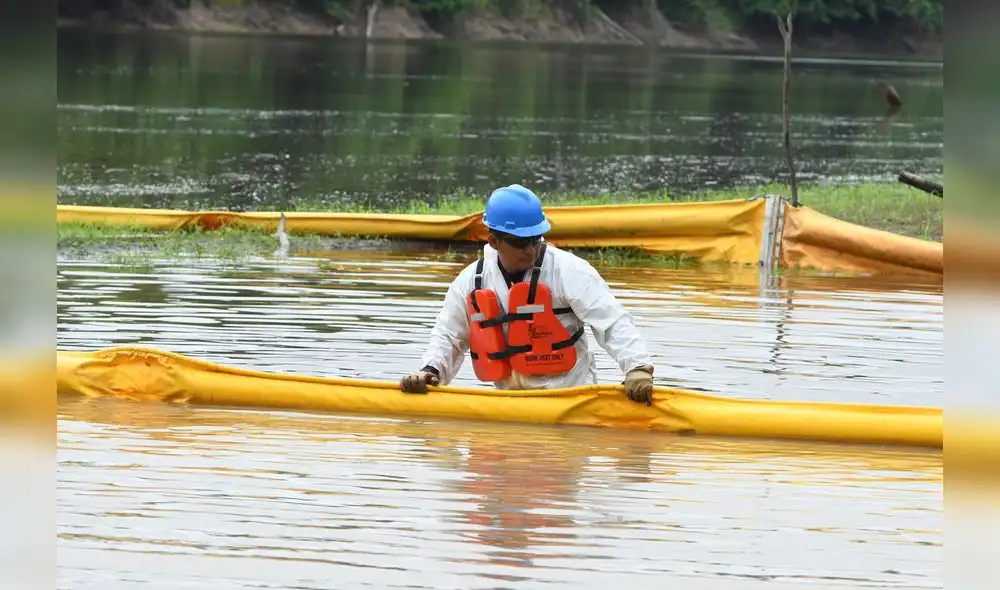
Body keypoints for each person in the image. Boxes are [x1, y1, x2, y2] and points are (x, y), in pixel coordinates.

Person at [399, 183, 655, 404]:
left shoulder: (570, 271)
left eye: (536, 239)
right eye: (521, 243)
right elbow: (449, 336)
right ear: (494, 242)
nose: (531, 250)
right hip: (509, 402)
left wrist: (637, 368)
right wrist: (430, 370)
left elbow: (612, 322)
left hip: (570, 397)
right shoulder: (471, 281)